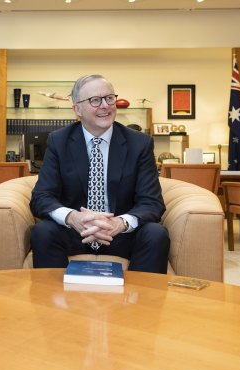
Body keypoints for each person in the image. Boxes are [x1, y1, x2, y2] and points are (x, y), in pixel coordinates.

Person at [30, 74, 169, 272]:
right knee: (42, 231)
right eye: (95, 100)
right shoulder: (58, 141)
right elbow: (41, 197)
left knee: (156, 234)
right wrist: (73, 218)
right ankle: (53, 301)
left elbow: (152, 202)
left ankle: (142, 300)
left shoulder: (139, 143)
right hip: (75, 231)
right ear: (77, 109)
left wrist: (120, 223)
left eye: (109, 98)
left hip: (121, 234)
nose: (105, 105)